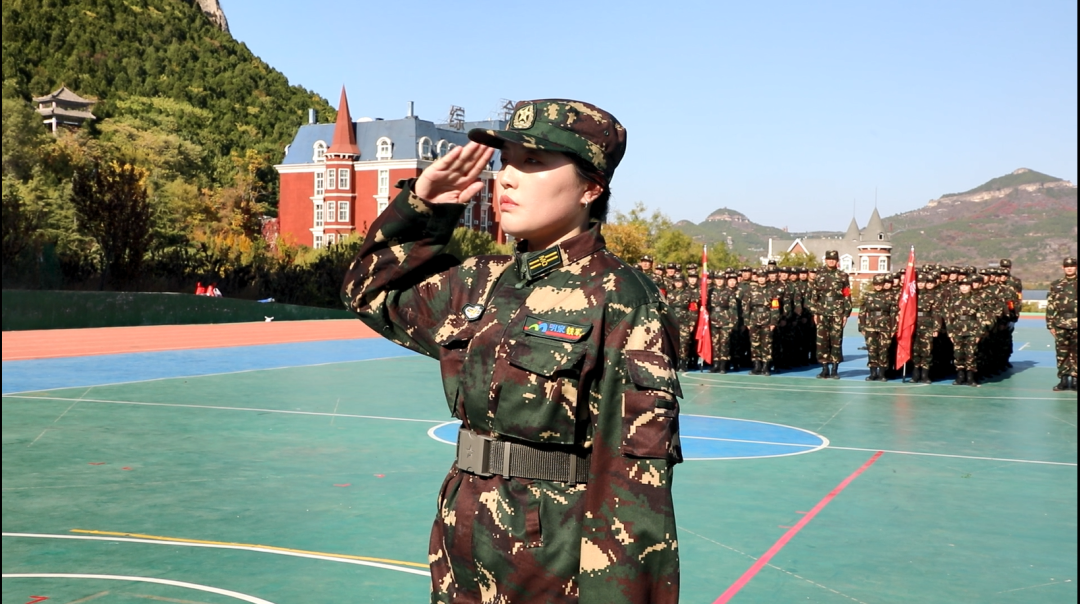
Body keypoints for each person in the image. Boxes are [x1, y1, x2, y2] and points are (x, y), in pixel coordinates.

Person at [341, 99, 682, 603]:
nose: (507, 178)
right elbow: (369, 291)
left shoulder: (621, 299)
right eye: (506, 162)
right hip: (461, 546)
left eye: (534, 162)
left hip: (551, 562)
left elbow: (634, 491)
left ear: (591, 187)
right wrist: (424, 207)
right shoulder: (481, 281)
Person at [810, 250, 851, 379]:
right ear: (826, 260)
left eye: (834, 259)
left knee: (836, 341)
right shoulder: (819, 275)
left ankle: (834, 369)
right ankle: (824, 368)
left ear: (837, 261)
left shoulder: (843, 276)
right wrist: (815, 312)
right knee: (822, 341)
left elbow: (847, 295)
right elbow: (814, 295)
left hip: (837, 312)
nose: (831, 261)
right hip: (822, 312)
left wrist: (846, 314)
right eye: (829, 259)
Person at [1047, 257, 1078, 391]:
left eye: (1072, 266)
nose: (1069, 268)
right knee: (1062, 352)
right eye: (1067, 266)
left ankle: (1075, 379)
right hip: (1061, 324)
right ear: (1063, 268)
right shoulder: (1056, 285)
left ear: (1076, 267)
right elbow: (1050, 305)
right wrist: (1050, 324)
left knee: (1076, 352)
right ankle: (1064, 380)